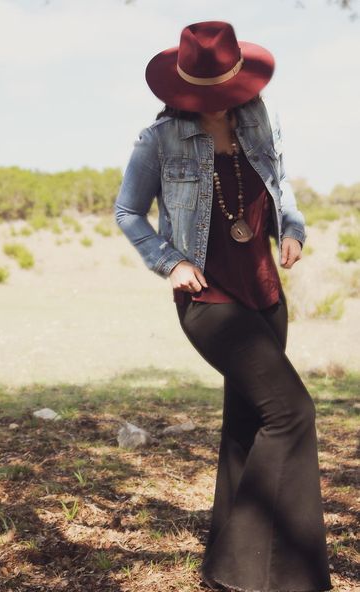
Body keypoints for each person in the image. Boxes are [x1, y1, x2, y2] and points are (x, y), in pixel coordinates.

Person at [114, 20, 333, 592]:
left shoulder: (259, 118)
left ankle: (233, 564)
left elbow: (280, 182)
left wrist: (292, 228)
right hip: (208, 298)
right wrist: (169, 260)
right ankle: (253, 569)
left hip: (265, 293)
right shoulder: (158, 140)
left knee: (250, 421)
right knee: (292, 414)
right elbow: (128, 213)